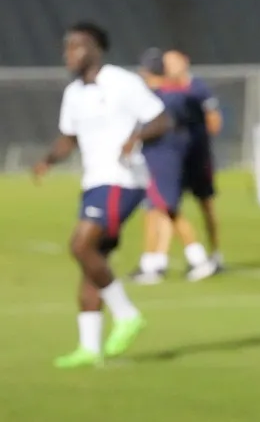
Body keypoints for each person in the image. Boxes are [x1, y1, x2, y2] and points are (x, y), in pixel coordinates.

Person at [34, 22, 172, 368]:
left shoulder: (122, 82)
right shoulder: (74, 93)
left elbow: (161, 120)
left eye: (75, 47)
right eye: (66, 48)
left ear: (94, 49)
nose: (68, 54)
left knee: (80, 246)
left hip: (122, 180)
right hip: (94, 181)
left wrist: (136, 137)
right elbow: (70, 137)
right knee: (92, 261)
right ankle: (89, 347)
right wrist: (48, 159)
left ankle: (127, 315)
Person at [130, 48, 218, 284]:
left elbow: (162, 126)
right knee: (157, 209)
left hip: (163, 158)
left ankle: (198, 258)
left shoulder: (164, 97)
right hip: (164, 157)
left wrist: (134, 138)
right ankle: (154, 263)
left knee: (168, 209)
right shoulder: (168, 94)